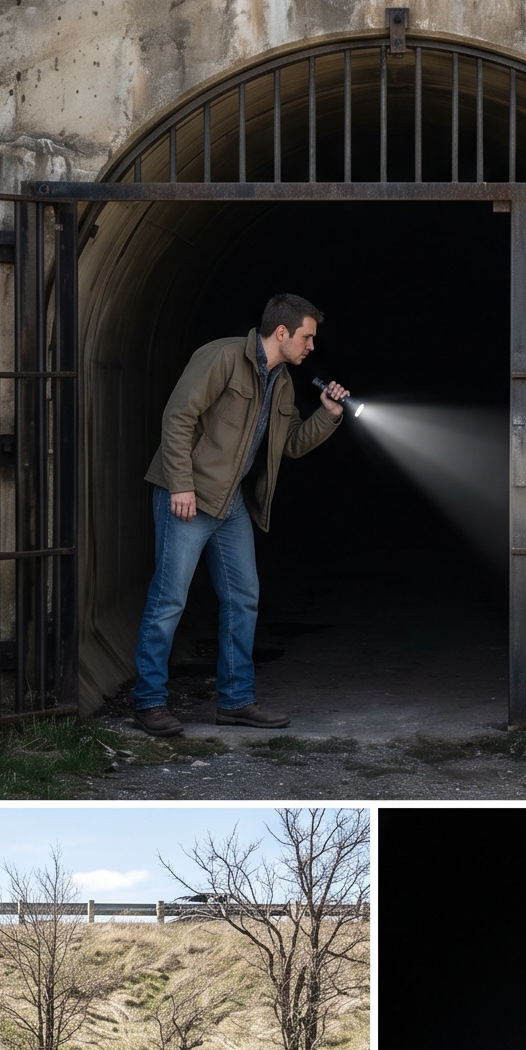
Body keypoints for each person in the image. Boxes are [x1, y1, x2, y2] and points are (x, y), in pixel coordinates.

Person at [132, 293, 349, 736]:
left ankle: (235, 701)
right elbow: (178, 417)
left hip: (229, 504)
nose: (311, 346)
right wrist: (180, 484)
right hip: (188, 497)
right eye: (307, 337)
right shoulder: (222, 357)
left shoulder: (282, 382)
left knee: (243, 598)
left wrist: (327, 416)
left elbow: (289, 444)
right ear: (282, 332)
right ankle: (149, 702)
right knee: (169, 599)